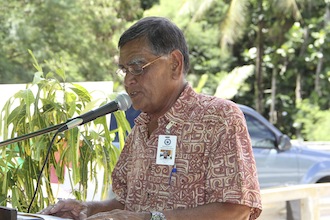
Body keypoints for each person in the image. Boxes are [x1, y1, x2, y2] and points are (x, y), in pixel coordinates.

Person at [39, 16, 262, 220]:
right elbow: (129, 204)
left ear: (175, 64)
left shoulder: (218, 117)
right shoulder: (140, 127)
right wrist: (87, 209)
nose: (128, 81)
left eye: (137, 67)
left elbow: (236, 209)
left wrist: (151, 219)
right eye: (124, 70)